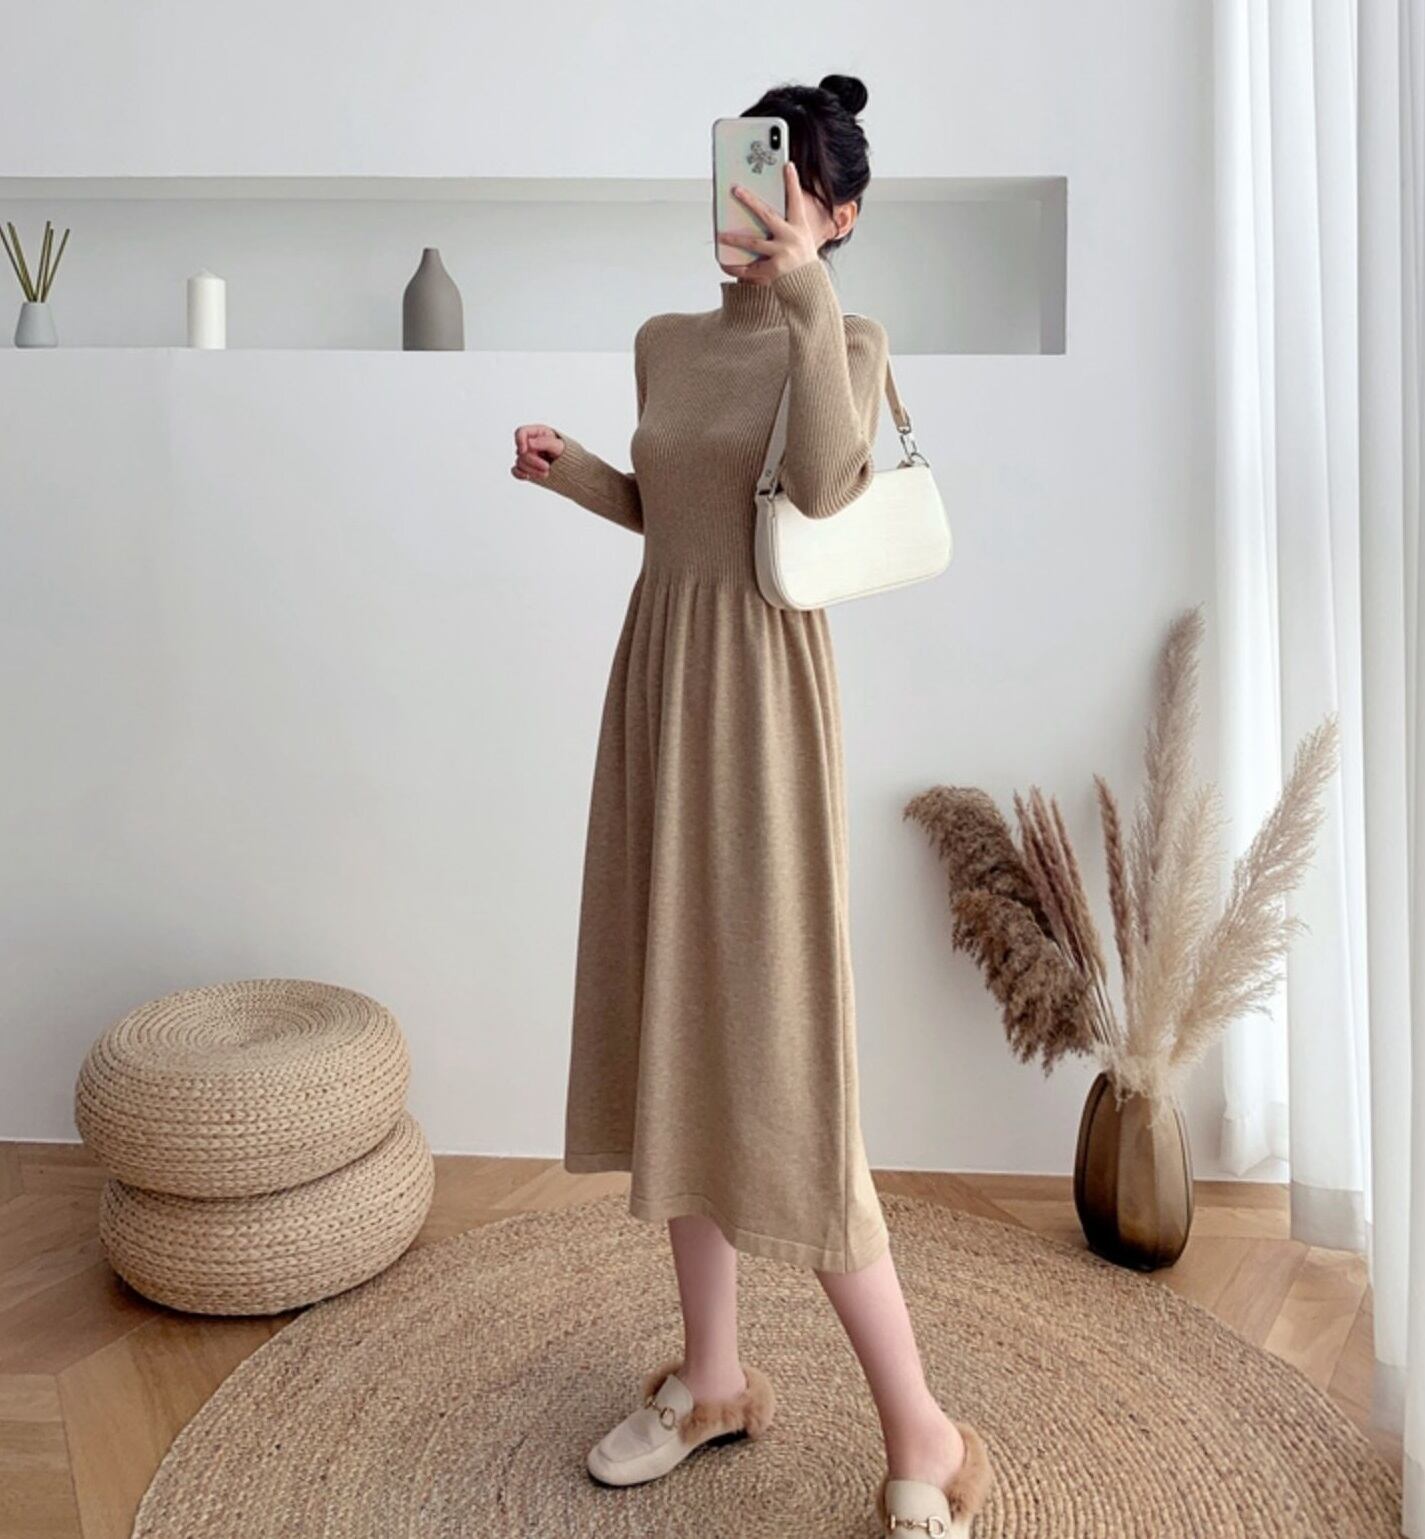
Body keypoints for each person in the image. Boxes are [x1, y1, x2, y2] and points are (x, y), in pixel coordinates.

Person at [511, 76, 991, 1538]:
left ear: (837, 215)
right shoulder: (663, 343)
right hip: (658, 688)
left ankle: (925, 1431)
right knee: (678, 1033)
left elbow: (828, 490)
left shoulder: (842, 338)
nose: (754, 208)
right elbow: (679, 513)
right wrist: (576, 476)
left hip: (768, 710)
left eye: (788, 191)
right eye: (740, 176)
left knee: (784, 1062)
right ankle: (713, 1378)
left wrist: (802, 300)